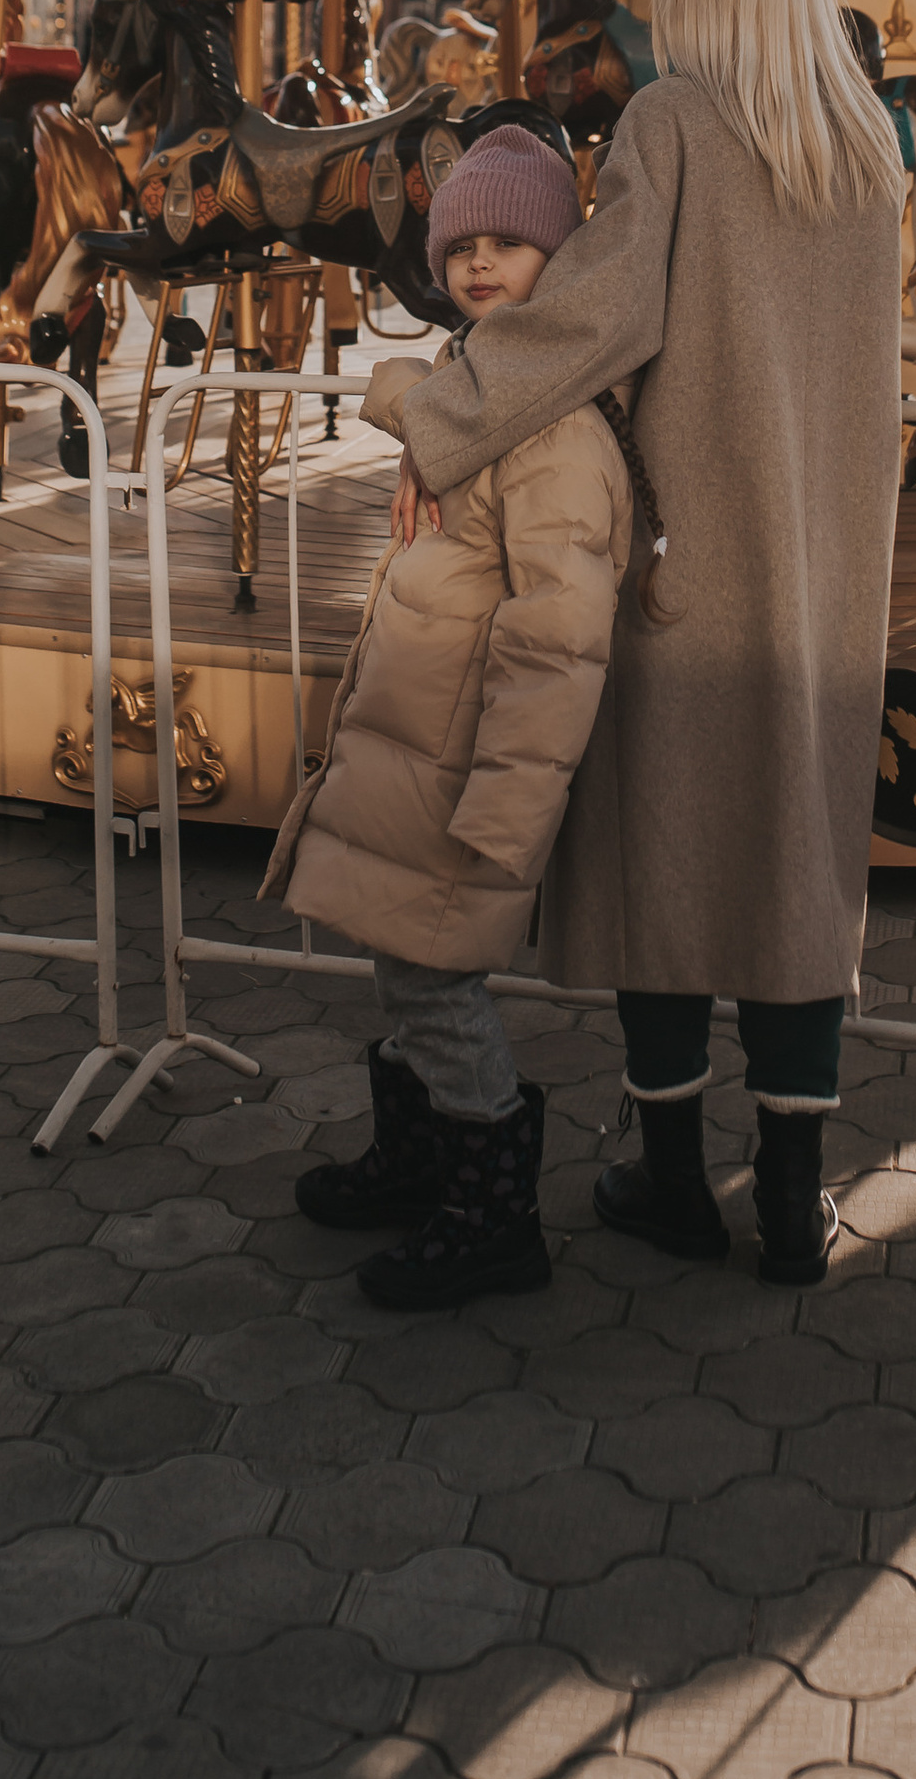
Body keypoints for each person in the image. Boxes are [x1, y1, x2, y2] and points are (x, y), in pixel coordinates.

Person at [385, 0, 904, 1284]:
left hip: (687, 568)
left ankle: (672, 1179)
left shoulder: (675, 124)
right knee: (799, 869)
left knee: (666, 866)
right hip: (829, 572)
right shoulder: (867, 143)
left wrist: (441, 420)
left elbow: (594, 323)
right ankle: (793, 1204)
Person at [262, 124, 641, 1311]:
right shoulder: (467, 400)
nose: (481, 265)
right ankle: (421, 1154)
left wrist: (514, 803)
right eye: (462, 243)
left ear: (560, 265)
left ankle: (492, 1207)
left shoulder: (553, 432)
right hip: (416, 743)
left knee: (434, 981)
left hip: (465, 767)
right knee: (400, 961)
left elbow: (558, 638)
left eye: (512, 245)